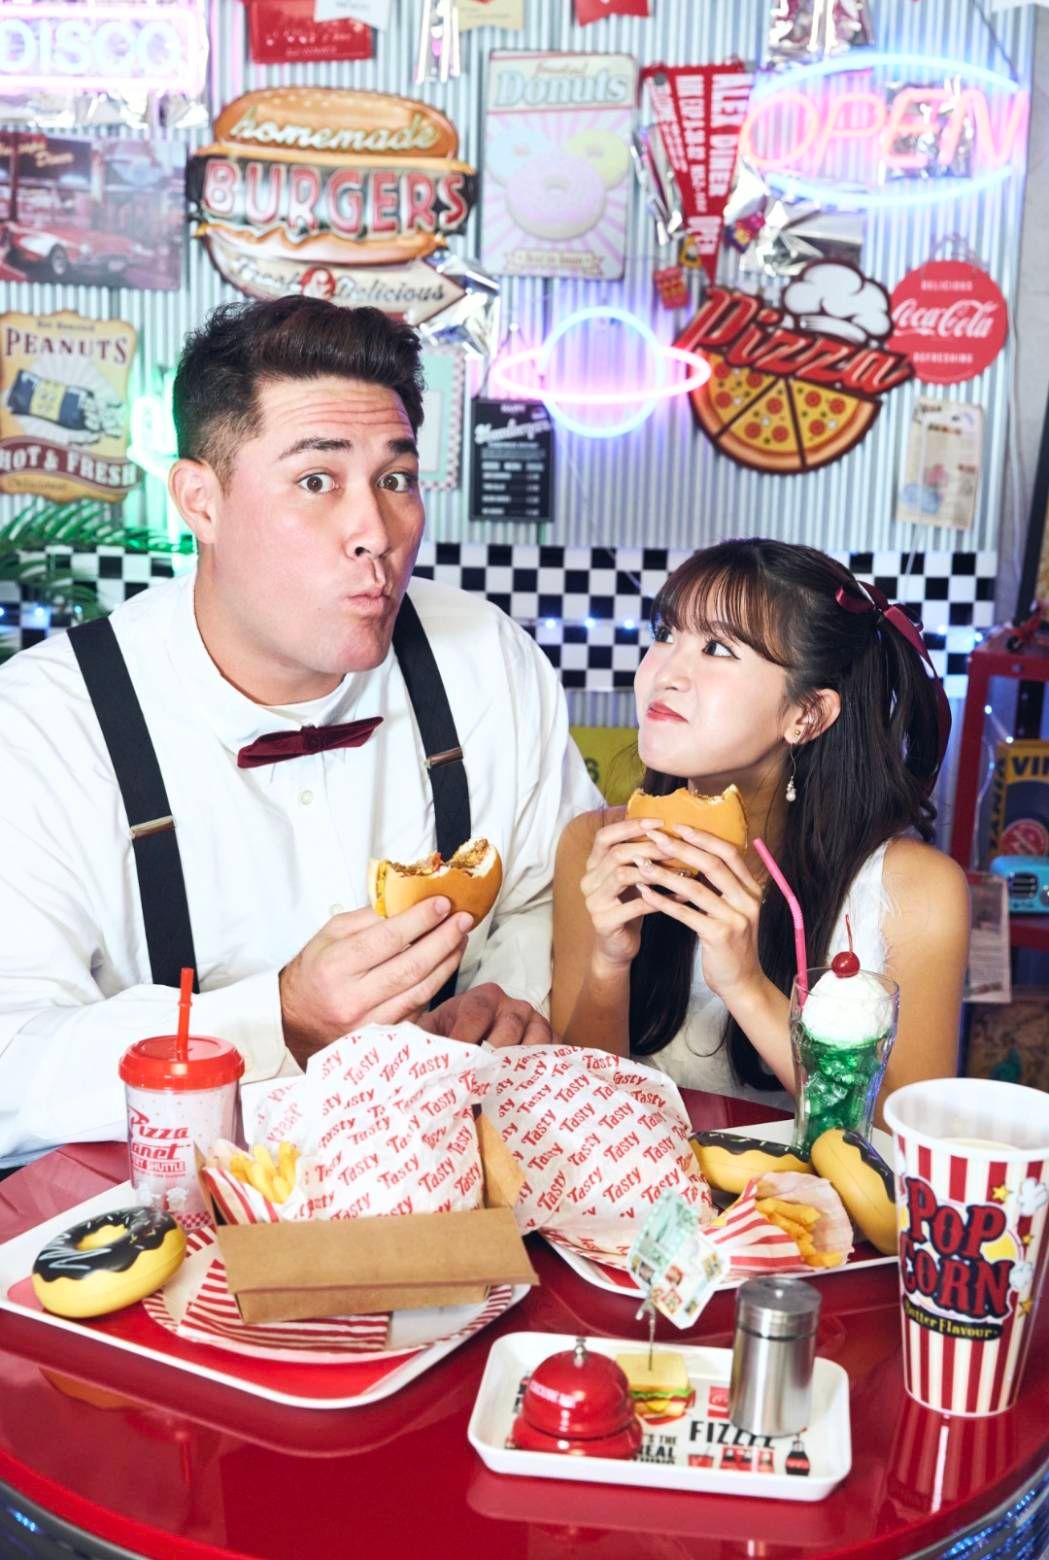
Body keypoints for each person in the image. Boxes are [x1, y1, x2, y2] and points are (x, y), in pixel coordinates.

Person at [0, 296, 597, 1166]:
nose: (375, 533)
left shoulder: (485, 658)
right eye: (317, 481)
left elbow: (549, 895)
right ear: (200, 500)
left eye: (395, 479)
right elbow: (12, 1063)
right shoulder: (46, 724)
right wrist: (275, 1019)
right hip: (157, 1205)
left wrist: (506, 997)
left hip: (447, 1184)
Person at [552, 539, 969, 1112]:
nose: (664, 673)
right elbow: (575, 1112)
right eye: (665, 634)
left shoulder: (916, 891)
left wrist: (745, 984)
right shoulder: (595, 846)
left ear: (807, 714)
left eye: (717, 648)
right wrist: (609, 961)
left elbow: (904, 1134)